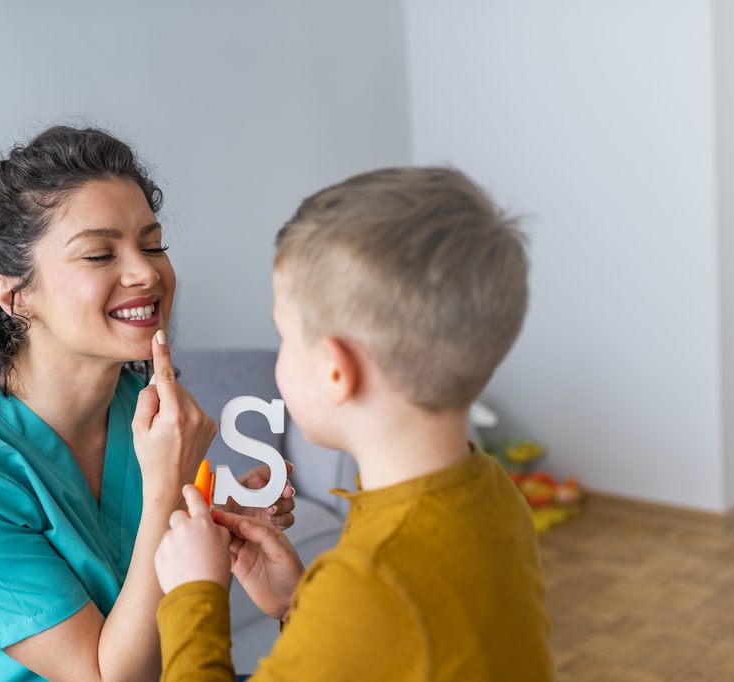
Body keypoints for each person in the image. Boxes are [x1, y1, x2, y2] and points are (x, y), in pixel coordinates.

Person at [0, 126, 295, 681]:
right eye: (98, 254)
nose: (146, 272)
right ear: (15, 294)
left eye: (153, 243)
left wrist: (218, 526)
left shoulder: (140, 410)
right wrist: (168, 489)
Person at [153, 167, 554, 680]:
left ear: (336, 370)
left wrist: (194, 596)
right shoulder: (492, 491)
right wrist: (303, 605)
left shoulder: (369, 583)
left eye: (284, 336)